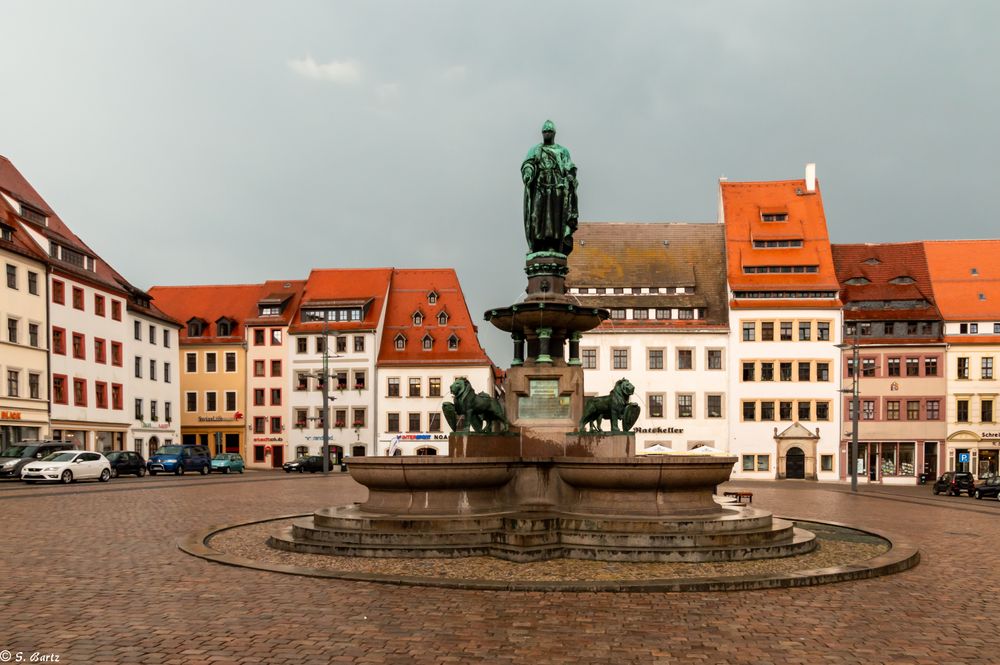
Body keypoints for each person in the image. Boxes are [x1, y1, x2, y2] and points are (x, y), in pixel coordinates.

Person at [521, 120, 578, 254]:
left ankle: (552, 244)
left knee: (554, 218)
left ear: (554, 133)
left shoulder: (562, 151)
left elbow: (569, 166)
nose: (546, 134)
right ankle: (538, 244)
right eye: (544, 132)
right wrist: (528, 172)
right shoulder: (535, 150)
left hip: (556, 188)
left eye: (549, 132)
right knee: (537, 216)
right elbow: (528, 163)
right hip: (540, 187)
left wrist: (570, 175)